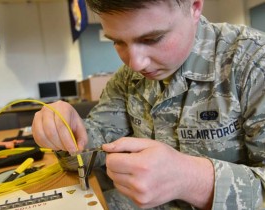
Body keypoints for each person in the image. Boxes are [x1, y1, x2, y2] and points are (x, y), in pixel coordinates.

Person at [32, 0, 265, 209]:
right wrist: (67, 133)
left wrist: (191, 179)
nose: (135, 63)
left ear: (194, 7)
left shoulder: (254, 62)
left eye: (152, 39)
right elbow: (97, 146)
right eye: (117, 42)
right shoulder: (126, 79)